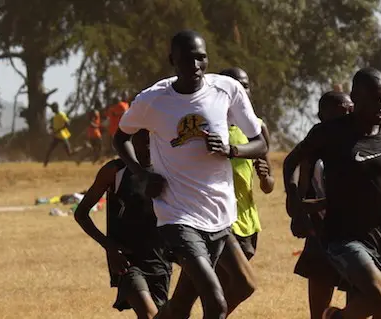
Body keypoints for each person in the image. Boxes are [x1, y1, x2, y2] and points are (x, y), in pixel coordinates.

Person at [113, 30, 268, 319]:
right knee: (216, 302)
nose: (195, 66)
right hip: (177, 215)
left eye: (201, 58)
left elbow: (261, 143)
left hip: (220, 214)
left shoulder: (226, 89)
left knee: (184, 305)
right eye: (187, 59)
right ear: (173, 61)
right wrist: (142, 175)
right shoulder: (154, 99)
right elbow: (120, 137)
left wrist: (231, 150)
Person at [282, 67, 381, 319]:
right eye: (374, 98)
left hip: (377, 238)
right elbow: (291, 162)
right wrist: (296, 204)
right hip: (341, 238)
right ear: (356, 98)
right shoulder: (330, 132)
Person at [161, 67, 275, 317]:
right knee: (243, 285)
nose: (240, 90)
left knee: (186, 299)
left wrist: (266, 176)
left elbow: (269, 185)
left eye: (245, 86)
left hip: (247, 222)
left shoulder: (256, 127)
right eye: (235, 85)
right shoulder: (206, 123)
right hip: (215, 220)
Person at [75, 130, 172, 319]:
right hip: (127, 262)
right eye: (142, 139)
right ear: (130, 141)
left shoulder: (168, 170)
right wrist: (109, 246)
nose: (147, 145)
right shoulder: (115, 171)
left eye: (152, 139)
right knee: (149, 315)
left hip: (160, 261)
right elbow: (81, 213)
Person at [290, 91, 354, 319]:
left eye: (349, 110)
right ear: (321, 116)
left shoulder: (358, 144)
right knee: (317, 311)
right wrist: (299, 214)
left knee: (359, 302)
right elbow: (300, 183)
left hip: (353, 233)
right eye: (339, 112)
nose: (345, 116)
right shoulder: (312, 150)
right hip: (321, 232)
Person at [43, 102, 73, 167]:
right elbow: (55, 126)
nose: (52, 109)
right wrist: (51, 128)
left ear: (56, 108)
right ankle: (45, 164)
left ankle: (84, 147)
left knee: (69, 153)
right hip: (56, 136)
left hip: (62, 136)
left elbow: (68, 124)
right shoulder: (55, 117)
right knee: (49, 150)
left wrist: (59, 130)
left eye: (52, 108)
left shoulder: (61, 114)